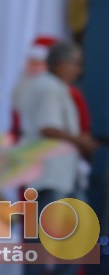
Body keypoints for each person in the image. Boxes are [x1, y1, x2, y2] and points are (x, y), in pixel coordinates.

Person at [15, 41, 97, 275]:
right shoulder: (49, 87)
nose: (79, 70)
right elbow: (47, 127)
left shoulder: (53, 86)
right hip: (50, 177)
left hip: (58, 176)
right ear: (61, 64)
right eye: (76, 64)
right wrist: (80, 141)